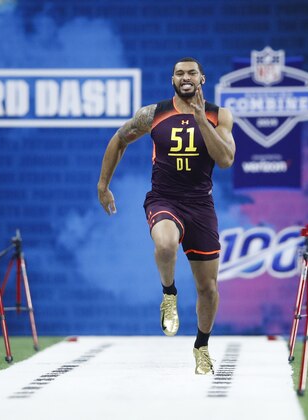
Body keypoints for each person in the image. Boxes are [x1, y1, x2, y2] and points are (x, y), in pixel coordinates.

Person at [97, 57, 235, 374]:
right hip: (164, 198)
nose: (185, 77)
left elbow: (226, 159)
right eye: (179, 73)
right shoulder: (153, 114)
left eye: (191, 73)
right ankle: (169, 294)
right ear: (172, 79)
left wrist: (202, 120)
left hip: (200, 205)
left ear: (202, 78)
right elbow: (120, 138)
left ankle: (201, 346)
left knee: (208, 289)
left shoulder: (219, 115)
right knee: (165, 244)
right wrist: (104, 184)